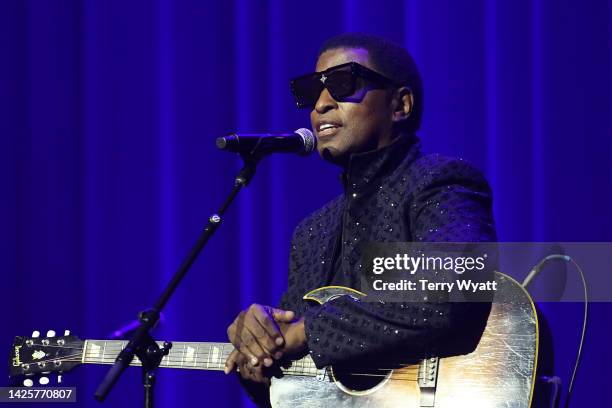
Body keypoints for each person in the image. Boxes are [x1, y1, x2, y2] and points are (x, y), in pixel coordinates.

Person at [223, 33, 496, 406]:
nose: (320, 105)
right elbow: (302, 391)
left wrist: (303, 333)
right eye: (310, 90)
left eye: (343, 83)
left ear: (400, 104)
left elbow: (450, 294)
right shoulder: (313, 231)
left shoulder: (438, 181)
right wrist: (259, 351)